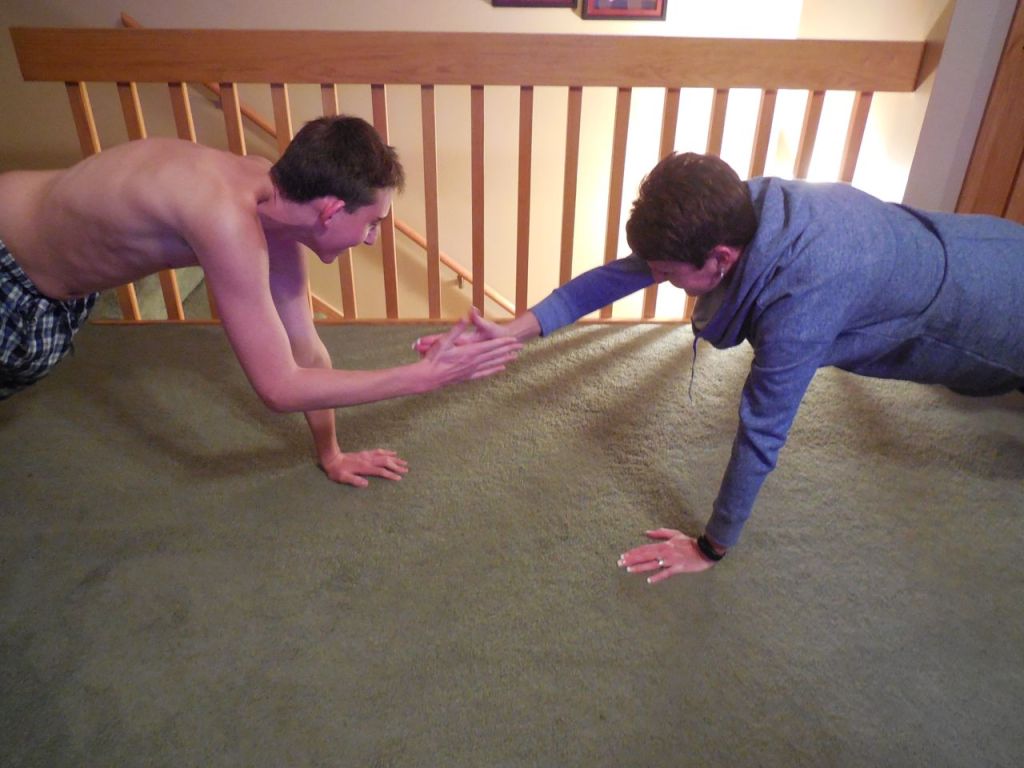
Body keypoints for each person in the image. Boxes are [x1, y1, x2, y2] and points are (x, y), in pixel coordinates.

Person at [415, 152, 1024, 582]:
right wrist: (513, 332)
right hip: (983, 240)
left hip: (988, 315)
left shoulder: (801, 299)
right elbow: (619, 275)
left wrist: (711, 547)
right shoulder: (739, 205)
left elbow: (763, 429)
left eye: (671, 274)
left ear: (722, 259)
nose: (660, 280)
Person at [0, 116, 521, 487]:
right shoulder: (225, 218)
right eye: (372, 224)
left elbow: (304, 351)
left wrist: (332, 454)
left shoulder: (272, 202)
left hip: (51, 282)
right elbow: (278, 387)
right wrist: (420, 378)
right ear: (331, 210)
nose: (370, 239)